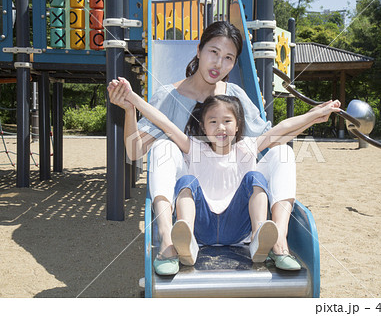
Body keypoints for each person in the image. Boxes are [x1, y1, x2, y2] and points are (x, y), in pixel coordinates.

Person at [108, 21, 316, 275]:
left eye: (228, 58)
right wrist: (130, 108)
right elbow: (134, 151)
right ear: (199, 50)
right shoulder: (169, 96)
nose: (219, 63)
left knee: (283, 152)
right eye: (213, 52)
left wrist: (315, 115)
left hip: (232, 199)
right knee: (164, 147)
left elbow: (268, 138)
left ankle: (279, 240)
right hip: (192, 199)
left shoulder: (235, 96)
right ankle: (168, 240)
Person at [107, 83, 340, 270]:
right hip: (200, 225)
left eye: (227, 121)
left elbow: (282, 128)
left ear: (238, 126)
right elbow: (164, 123)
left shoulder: (247, 147)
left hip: (239, 226)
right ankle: (175, 239)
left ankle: (270, 240)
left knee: (273, 161)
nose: (221, 127)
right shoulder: (194, 148)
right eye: (213, 122)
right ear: (204, 128)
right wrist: (134, 100)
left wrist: (314, 115)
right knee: (176, 168)